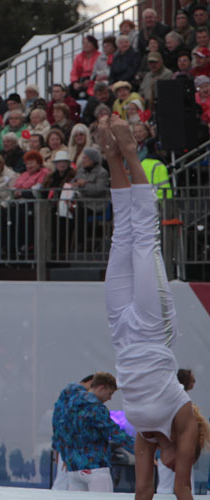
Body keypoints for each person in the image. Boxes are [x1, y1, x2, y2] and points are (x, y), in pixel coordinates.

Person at [97, 114, 210, 500]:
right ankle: (132, 153)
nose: (171, 466)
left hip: (122, 337)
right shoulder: (185, 423)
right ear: (189, 452)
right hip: (153, 331)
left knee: (121, 239)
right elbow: (181, 489)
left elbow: (143, 490)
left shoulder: (146, 435)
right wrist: (181, 474)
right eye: (179, 462)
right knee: (144, 240)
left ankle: (113, 158)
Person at [61, 372, 135, 492]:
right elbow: (115, 433)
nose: (110, 398)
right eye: (110, 393)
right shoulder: (97, 408)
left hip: (74, 467)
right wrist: (140, 451)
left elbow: (62, 430)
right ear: (101, 388)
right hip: (95, 466)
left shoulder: (70, 403)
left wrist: (65, 454)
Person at [51, 374, 93, 490]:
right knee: (64, 481)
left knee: (64, 480)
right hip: (70, 445)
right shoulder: (76, 394)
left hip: (67, 444)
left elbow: (57, 421)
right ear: (90, 383)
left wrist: (57, 445)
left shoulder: (70, 395)